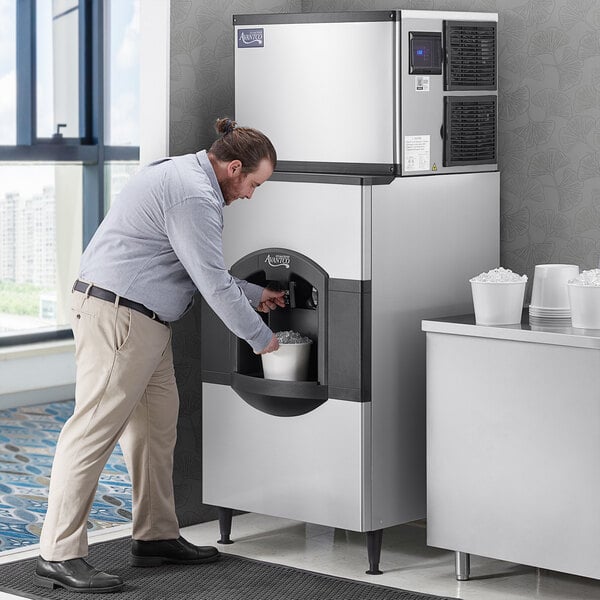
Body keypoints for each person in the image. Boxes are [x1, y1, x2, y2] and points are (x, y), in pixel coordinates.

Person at [34, 118, 286, 593]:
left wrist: (255, 294)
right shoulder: (194, 196)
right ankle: (59, 551)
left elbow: (193, 266)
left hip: (141, 319)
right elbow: (211, 282)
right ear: (234, 168)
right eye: (254, 184)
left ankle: (155, 536)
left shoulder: (181, 175)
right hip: (121, 318)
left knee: (156, 429)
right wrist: (262, 339)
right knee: (91, 430)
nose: (252, 194)